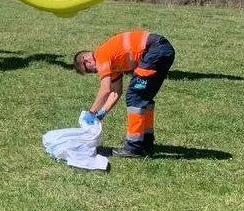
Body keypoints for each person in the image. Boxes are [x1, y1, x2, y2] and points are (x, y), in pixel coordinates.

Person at [74, 30, 175, 158]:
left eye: (89, 70)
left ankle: (133, 147)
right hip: (163, 50)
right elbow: (116, 92)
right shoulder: (113, 63)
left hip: (154, 50)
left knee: (135, 97)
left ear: (86, 60)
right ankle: (146, 142)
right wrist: (103, 112)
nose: (94, 71)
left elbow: (105, 89)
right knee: (144, 98)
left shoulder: (101, 55)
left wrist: (92, 112)